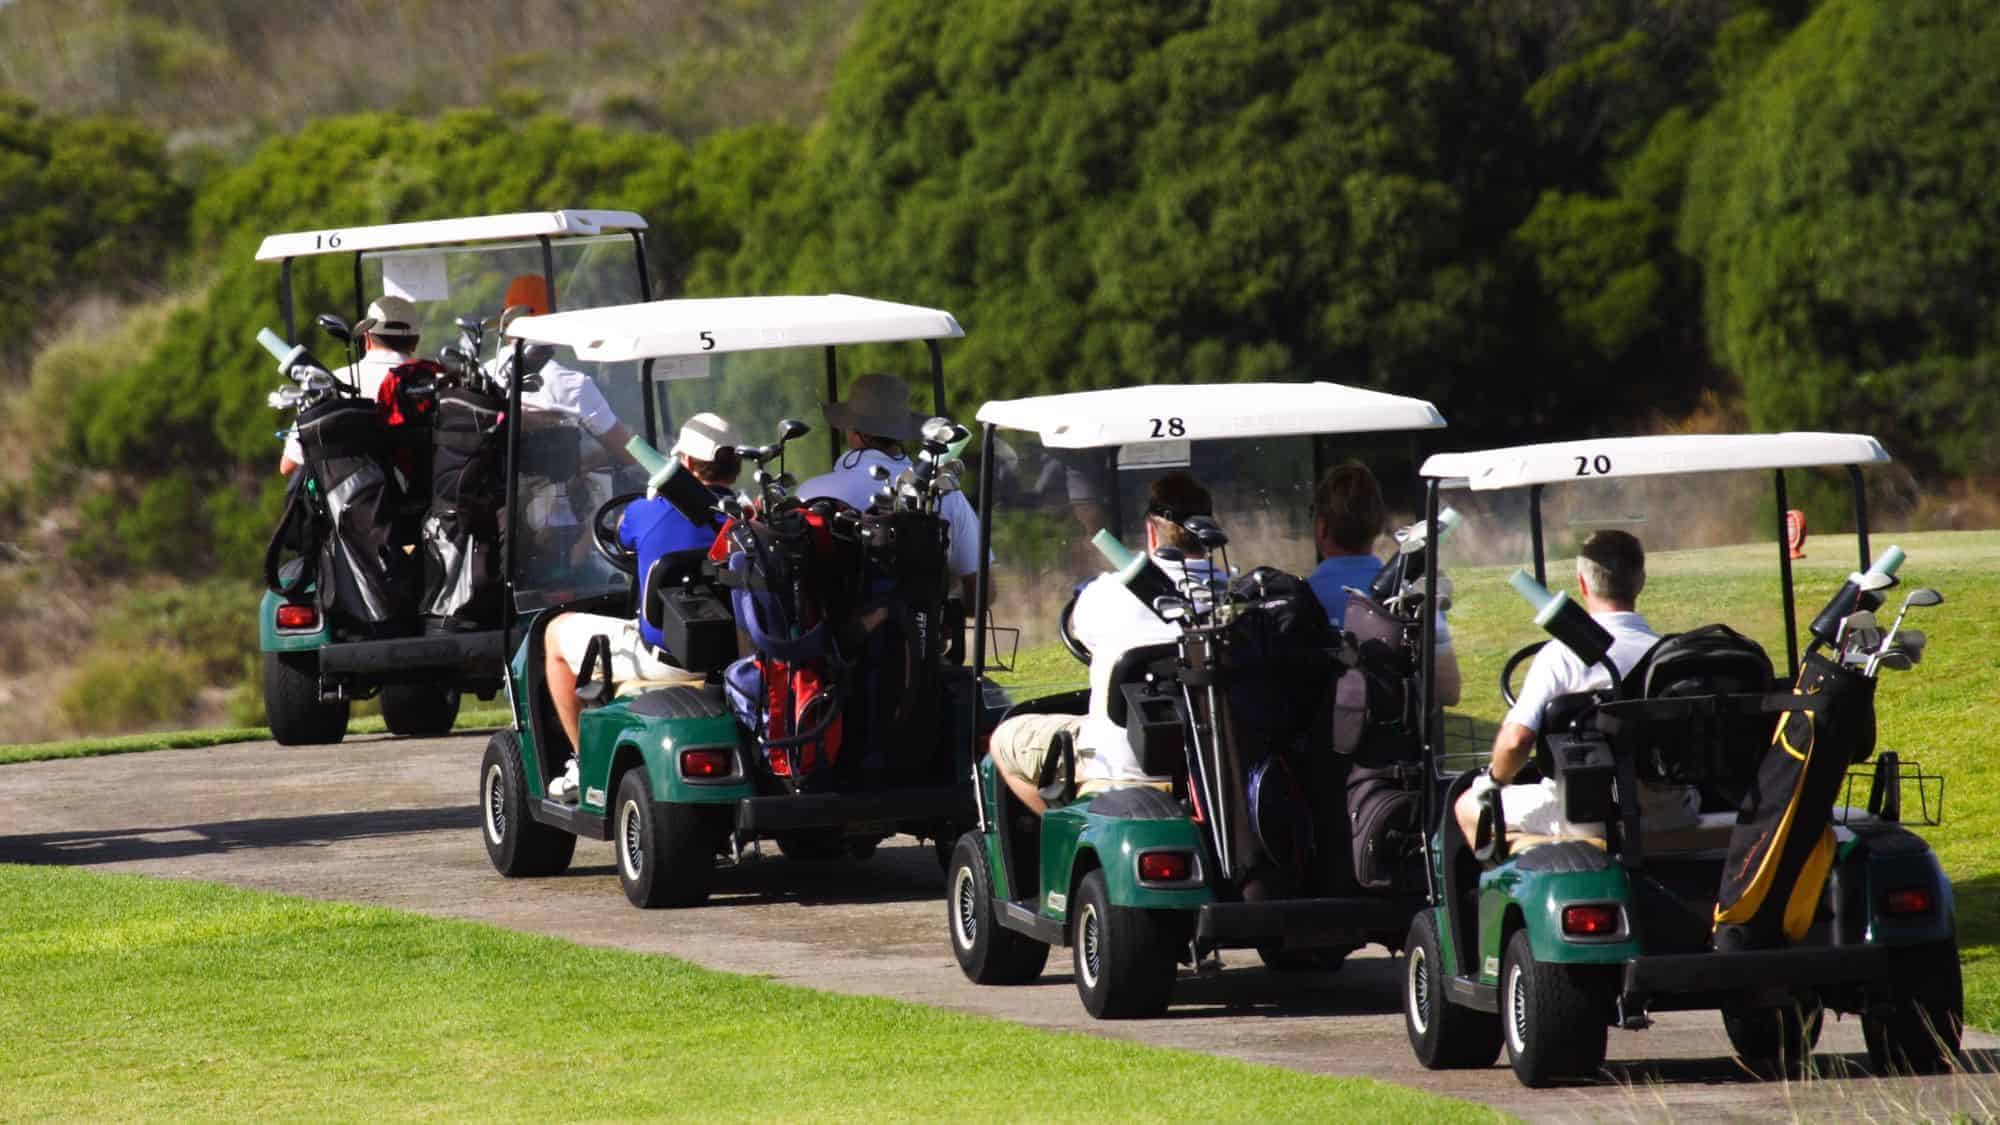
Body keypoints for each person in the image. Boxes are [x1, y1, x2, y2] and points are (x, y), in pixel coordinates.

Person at [986, 472, 1222, 815]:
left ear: (1152, 532)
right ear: (1209, 532)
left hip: (1120, 765)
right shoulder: (1238, 594)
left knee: (1005, 739)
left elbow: (1079, 633)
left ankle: (1062, 829)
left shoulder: (1105, 594)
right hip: (1210, 760)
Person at [541, 413, 741, 801]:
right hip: (732, 655)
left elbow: (621, 534)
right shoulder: (747, 515)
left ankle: (581, 761)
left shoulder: (648, 511)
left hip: (666, 658)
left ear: (682, 463)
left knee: (554, 635)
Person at [1453, 529, 1694, 846]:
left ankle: (1521, 877)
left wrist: (1495, 780)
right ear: (1641, 581)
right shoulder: (1669, 655)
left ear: (1582, 584)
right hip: (1672, 811)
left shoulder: (1559, 657)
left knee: (1468, 805)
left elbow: (1515, 742)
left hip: (1588, 817)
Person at [796, 372, 981, 601]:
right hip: (916, 634)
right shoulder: (945, 493)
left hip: (824, 635)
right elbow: (982, 593)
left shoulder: (809, 492)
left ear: (854, 432)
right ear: (900, 433)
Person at [1306, 463, 1461, 706]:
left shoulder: (1299, 600)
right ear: (1378, 526)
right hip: (1396, 740)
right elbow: (1447, 691)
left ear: (1322, 527)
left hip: (1320, 741)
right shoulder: (1409, 595)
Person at [277, 295, 421, 476]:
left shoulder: (333, 382)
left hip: (360, 500)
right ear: (415, 342)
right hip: (434, 496)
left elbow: (288, 465)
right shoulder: (440, 379)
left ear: (367, 338)